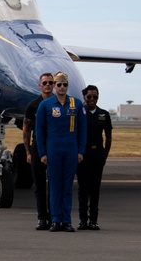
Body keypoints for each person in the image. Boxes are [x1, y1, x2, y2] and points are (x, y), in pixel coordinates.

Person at [35, 71, 86, 232]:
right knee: (55, 186)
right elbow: (39, 130)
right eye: (58, 85)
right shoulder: (45, 105)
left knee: (67, 186)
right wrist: (42, 153)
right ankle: (56, 220)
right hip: (53, 148)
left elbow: (82, 130)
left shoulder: (76, 104)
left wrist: (81, 151)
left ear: (67, 86)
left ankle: (67, 220)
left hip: (71, 148)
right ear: (54, 87)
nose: (61, 87)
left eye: (64, 85)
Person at [22, 72, 55, 230]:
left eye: (50, 82)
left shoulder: (59, 104)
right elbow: (26, 129)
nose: (48, 85)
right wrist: (28, 152)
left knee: (54, 185)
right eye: (45, 83)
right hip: (37, 147)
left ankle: (53, 217)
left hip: (54, 147)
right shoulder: (33, 105)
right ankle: (42, 218)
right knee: (39, 186)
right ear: (39, 85)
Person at [76, 84, 112, 230]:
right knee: (83, 188)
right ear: (84, 97)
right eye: (89, 96)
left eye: (95, 97)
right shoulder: (79, 113)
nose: (92, 99)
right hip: (83, 156)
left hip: (97, 155)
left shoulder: (104, 114)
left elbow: (108, 136)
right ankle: (83, 220)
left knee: (95, 189)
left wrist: (105, 155)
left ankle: (94, 220)